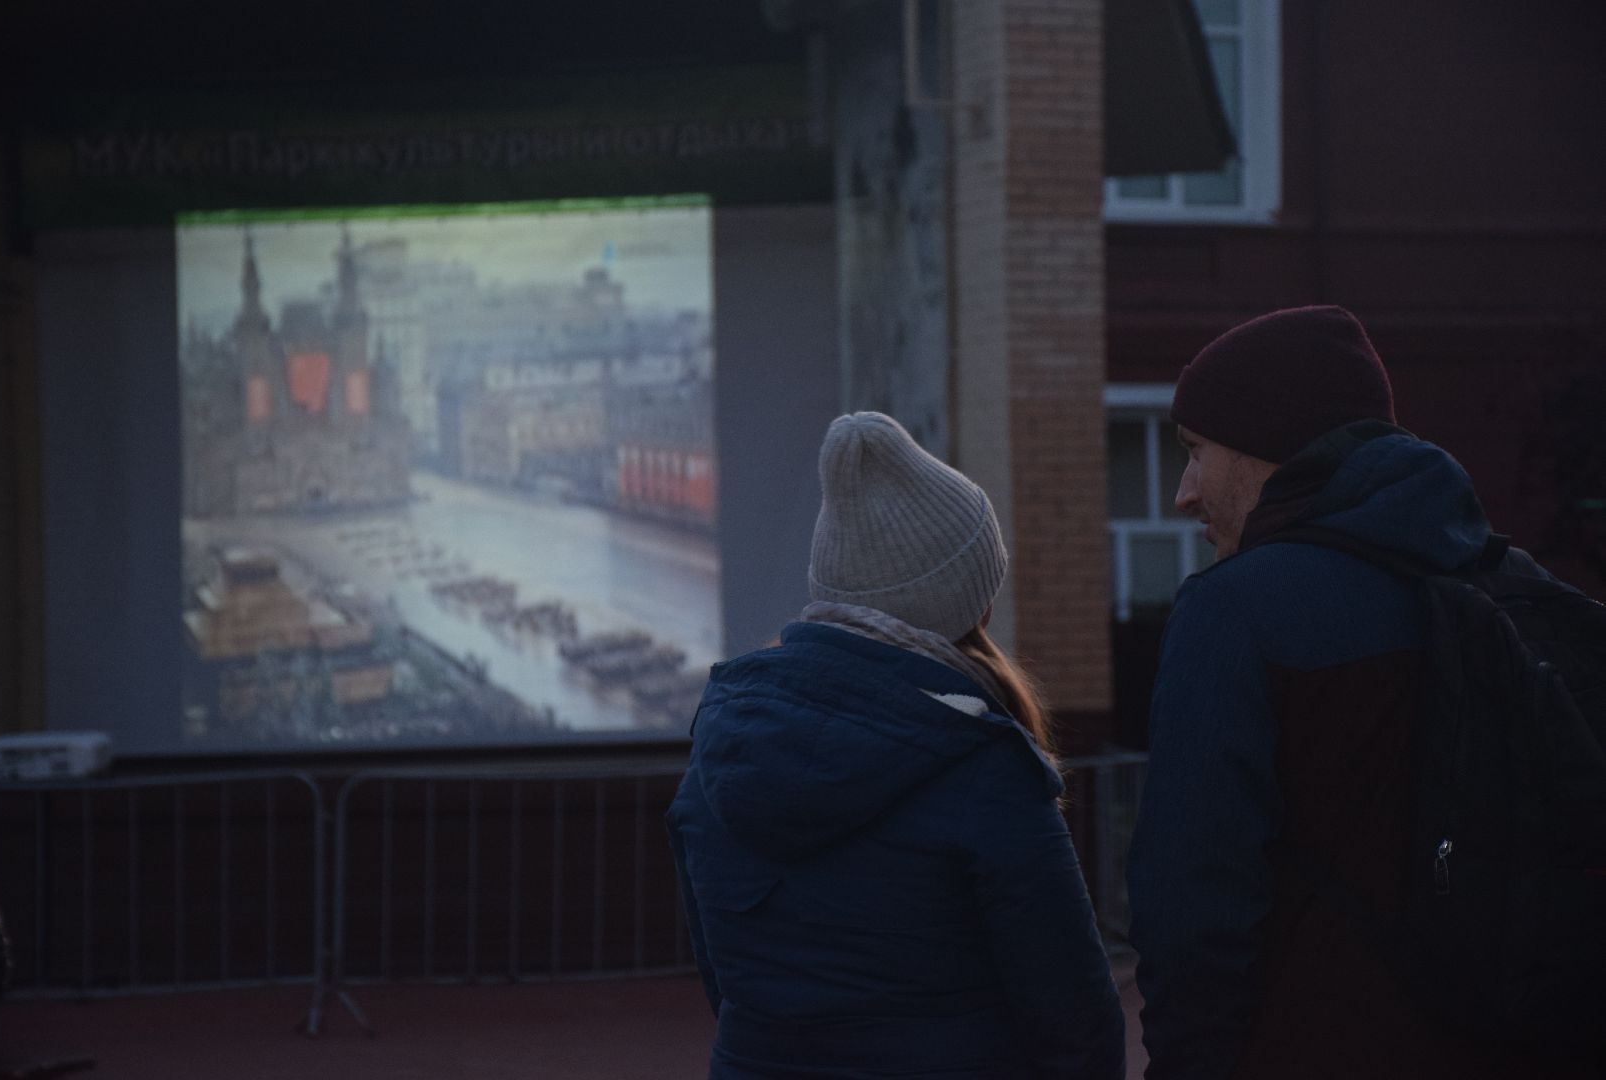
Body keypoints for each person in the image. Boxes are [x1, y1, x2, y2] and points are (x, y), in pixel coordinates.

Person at [1126, 305, 1598, 1079]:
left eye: (1194, 451)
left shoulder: (1236, 611)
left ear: (1263, 446)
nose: (1184, 493)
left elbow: (1192, 908)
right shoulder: (1520, 590)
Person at [667, 412, 1125, 1080]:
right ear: (972, 608)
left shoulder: (719, 755)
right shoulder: (983, 769)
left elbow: (724, 981)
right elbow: (1075, 1017)